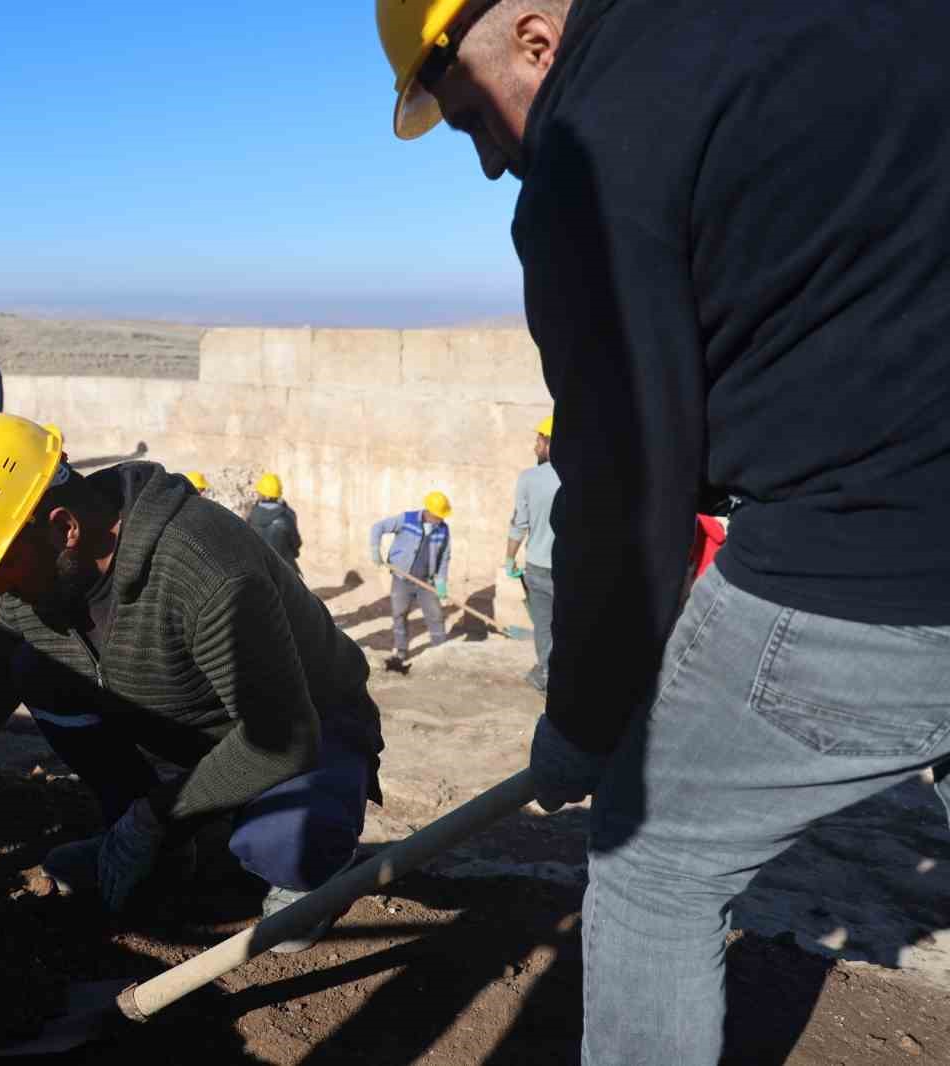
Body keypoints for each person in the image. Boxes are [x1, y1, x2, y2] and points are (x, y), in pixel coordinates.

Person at [376, 1, 950, 1063]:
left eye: (471, 123)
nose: (493, 165)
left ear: (537, 40)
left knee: (652, 864)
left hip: (872, 551)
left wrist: (584, 723)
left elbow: (622, 480)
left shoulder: (590, 148)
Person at [0, 414, 384, 952]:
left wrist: (153, 818)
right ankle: (158, 847)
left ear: (65, 528)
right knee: (34, 668)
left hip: (304, 726)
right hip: (197, 724)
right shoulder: (41, 570)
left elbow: (281, 739)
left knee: (282, 848)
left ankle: (319, 861)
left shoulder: (208, 572)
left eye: (2, 566)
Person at [369, 491, 453, 670]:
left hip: (426, 582)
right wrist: (375, 549)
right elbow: (378, 527)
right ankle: (401, 650)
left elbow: (445, 556)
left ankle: (441, 650)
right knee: (399, 614)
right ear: (430, 512)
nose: (441, 519)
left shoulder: (443, 529)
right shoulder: (407, 520)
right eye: (439, 515)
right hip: (402, 577)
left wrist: (441, 581)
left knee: (435, 615)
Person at [505, 416, 558, 692]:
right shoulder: (585, 475)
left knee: (544, 626)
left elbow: (519, 524)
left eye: (539, 439)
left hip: (539, 567)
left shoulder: (529, 478)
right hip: (572, 568)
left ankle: (547, 675)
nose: (535, 445)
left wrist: (509, 558)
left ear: (550, 443)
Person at [245, 473, 301, 573]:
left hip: (259, 568)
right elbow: (296, 543)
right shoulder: (287, 515)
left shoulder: (251, 515)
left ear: (263, 495)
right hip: (284, 569)